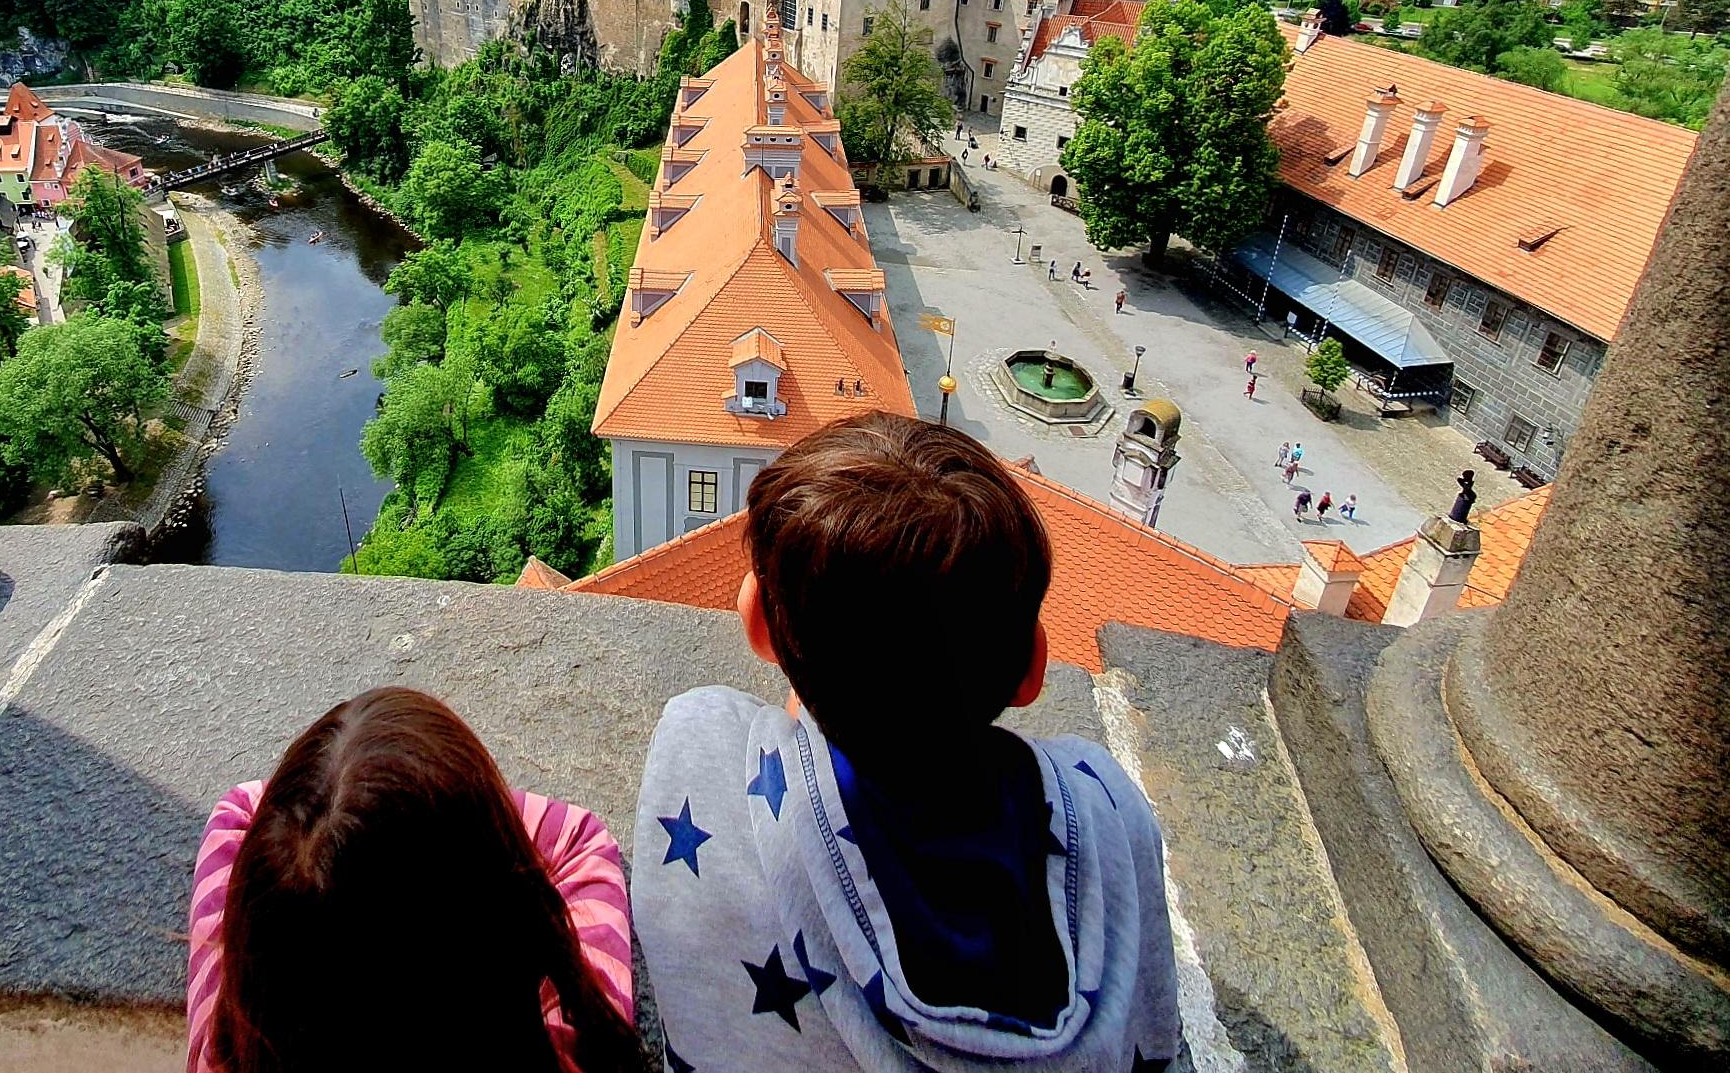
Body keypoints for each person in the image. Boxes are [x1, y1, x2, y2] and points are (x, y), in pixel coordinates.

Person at [634, 414, 1181, 1073]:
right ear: (1031, 669)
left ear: (757, 626)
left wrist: (821, 684)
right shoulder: (1106, 809)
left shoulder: (699, 746)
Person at [188, 687, 637, 1073]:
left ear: (257, 966)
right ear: (503, 934)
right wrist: (441, 813)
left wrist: (354, 828)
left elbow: (243, 808)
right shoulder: (576, 1053)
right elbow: (576, 837)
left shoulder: (224, 1050)